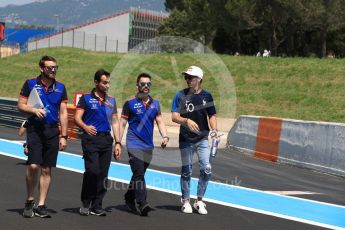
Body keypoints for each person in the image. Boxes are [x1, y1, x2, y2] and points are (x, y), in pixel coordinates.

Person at [18, 55, 68, 218]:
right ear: (42, 69)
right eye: (50, 68)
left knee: (46, 169)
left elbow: (63, 112)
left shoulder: (61, 87)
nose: (53, 70)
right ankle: (29, 200)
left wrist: (64, 136)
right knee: (33, 166)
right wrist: (33, 111)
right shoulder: (30, 83)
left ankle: (41, 205)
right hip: (35, 130)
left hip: (52, 131)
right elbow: (21, 105)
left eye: (55, 68)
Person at [119, 72, 169, 216]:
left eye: (148, 84)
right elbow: (122, 124)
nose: (146, 86)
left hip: (148, 145)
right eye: (143, 84)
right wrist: (117, 142)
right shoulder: (130, 103)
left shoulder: (155, 104)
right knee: (139, 174)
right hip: (133, 143)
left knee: (137, 174)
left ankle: (129, 197)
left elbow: (159, 121)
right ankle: (143, 203)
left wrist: (164, 136)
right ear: (137, 86)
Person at [171, 65, 218, 215]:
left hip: (203, 138)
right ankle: (185, 201)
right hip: (185, 139)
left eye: (190, 77)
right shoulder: (180, 95)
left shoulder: (207, 96)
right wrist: (185, 121)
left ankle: (199, 200)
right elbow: (174, 116)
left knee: (207, 168)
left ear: (198, 79)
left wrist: (215, 130)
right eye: (186, 77)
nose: (187, 80)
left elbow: (212, 115)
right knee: (187, 171)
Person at [74, 69, 121, 216]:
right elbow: (77, 118)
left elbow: (115, 122)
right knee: (92, 171)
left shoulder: (111, 100)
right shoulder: (86, 98)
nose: (107, 85)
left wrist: (118, 143)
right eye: (104, 82)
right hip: (90, 139)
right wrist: (85, 127)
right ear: (96, 82)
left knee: (103, 174)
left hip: (106, 140)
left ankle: (97, 205)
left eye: (108, 82)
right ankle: (85, 202)